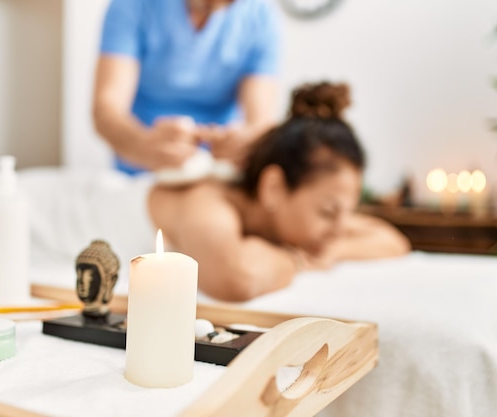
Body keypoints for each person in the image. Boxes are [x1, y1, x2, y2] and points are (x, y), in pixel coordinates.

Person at [149, 82, 411, 301]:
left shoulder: (311, 219)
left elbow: (393, 241)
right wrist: (296, 260)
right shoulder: (206, 202)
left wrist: (335, 250)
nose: (340, 228)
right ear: (274, 187)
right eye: (329, 212)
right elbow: (238, 278)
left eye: (347, 213)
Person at [92, 0, 281, 175]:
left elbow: (260, 123)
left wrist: (245, 145)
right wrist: (143, 146)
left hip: (216, 174)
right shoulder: (133, 5)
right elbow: (107, 109)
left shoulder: (260, 17)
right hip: (140, 173)